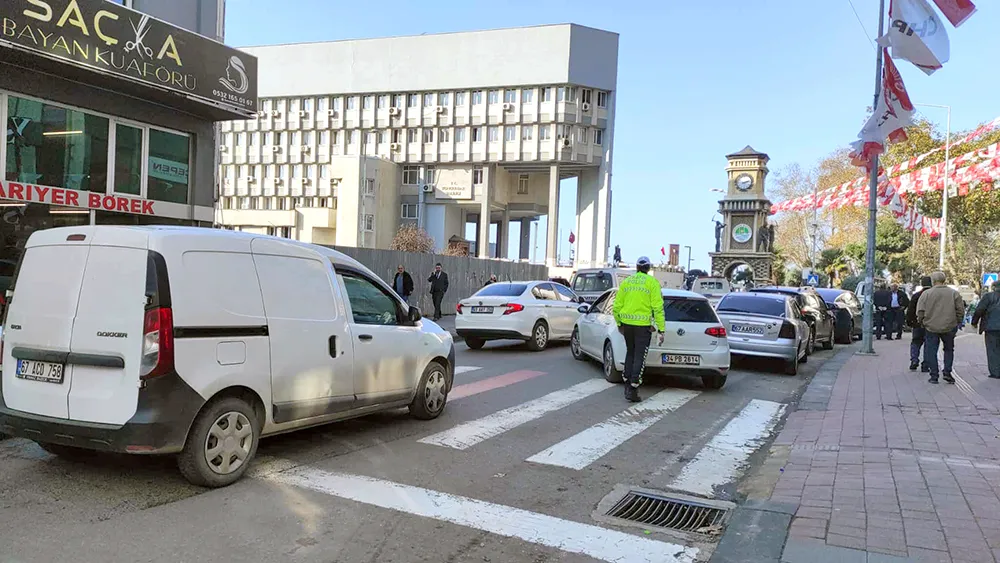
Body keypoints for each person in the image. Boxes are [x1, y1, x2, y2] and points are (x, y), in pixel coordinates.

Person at [612, 256, 665, 403]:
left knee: (631, 352)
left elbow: (616, 306)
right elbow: (658, 308)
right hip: (643, 327)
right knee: (640, 356)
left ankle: (627, 381)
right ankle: (633, 387)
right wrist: (661, 329)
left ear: (636, 268)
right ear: (648, 269)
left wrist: (619, 324)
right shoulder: (652, 283)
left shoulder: (627, 282)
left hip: (627, 325)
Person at [916, 271, 965, 385]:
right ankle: (947, 372)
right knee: (948, 349)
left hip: (931, 326)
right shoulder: (954, 293)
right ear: (944, 280)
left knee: (931, 350)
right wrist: (957, 321)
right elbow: (960, 310)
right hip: (949, 326)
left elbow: (920, 311)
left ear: (933, 281)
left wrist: (921, 321)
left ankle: (934, 375)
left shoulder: (926, 294)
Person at [972, 282, 1000, 379]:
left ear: (994, 288)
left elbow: (979, 310)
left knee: (992, 349)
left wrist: (974, 322)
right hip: (992, 326)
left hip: (991, 327)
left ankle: (995, 372)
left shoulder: (988, 297)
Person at [906, 276, 933, 372]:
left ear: (922, 284)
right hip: (930, 324)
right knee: (928, 344)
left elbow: (911, 309)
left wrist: (909, 321)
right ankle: (925, 364)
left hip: (917, 323)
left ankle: (914, 360)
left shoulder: (916, 295)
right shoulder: (933, 295)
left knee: (916, 342)